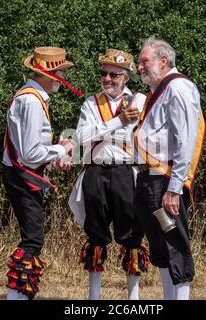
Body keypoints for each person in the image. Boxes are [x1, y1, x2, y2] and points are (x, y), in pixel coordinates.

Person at [2, 46, 84, 300]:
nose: (63, 76)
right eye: (61, 71)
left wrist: (53, 157)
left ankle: (19, 296)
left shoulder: (32, 98)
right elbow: (29, 154)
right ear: (50, 74)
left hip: (23, 175)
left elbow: (31, 150)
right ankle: (17, 298)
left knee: (33, 238)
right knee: (32, 240)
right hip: (22, 177)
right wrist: (62, 148)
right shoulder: (31, 101)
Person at [69, 49, 149, 300]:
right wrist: (117, 123)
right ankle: (94, 297)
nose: (107, 79)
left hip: (127, 172)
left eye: (113, 75)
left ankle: (133, 297)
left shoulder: (140, 101)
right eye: (103, 73)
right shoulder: (91, 102)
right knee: (96, 235)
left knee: (132, 235)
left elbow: (149, 136)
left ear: (126, 77)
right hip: (97, 172)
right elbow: (80, 137)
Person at [133, 36, 205, 300]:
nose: (139, 67)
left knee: (174, 242)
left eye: (144, 61)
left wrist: (174, 188)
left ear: (163, 61)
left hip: (165, 181)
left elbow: (186, 141)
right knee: (159, 245)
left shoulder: (178, 88)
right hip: (148, 180)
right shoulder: (159, 90)